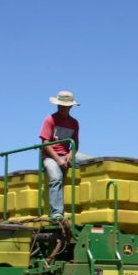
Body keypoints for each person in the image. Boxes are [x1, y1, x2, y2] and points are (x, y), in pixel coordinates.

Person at [40, 90, 83, 218]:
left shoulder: (74, 123)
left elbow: (75, 143)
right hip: (50, 157)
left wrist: (71, 153)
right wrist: (58, 160)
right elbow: (45, 143)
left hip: (66, 155)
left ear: (70, 106)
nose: (62, 107)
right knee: (56, 177)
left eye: (65, 105)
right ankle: (57, 213)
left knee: (92, 162)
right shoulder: (50, 120)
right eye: (60, 105)